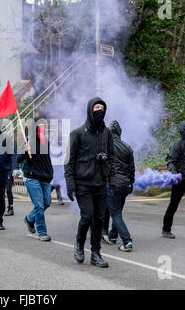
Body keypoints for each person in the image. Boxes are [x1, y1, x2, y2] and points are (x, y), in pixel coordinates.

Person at [64, 97, 115, 268]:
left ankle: (95, 253)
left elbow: (113, 157)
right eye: (96, 107)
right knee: (88, 216)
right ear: (89, 110)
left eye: (102, 107)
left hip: (101, 183)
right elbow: (68, 161)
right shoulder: (77, 133)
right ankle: (79, 245)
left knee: (99, 220)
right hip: (82, 183)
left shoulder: (107, 133)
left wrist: (107, 165)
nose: (99, 110)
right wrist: (70, 184)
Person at [103, 120, 135, 252]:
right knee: (118, 212)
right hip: (126, 185)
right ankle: (112, 236)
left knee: (115, 214)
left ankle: (127, 242)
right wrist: (131, 183)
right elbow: (132, 169)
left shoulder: (106, 147)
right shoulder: (127, 147)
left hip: (113, 185)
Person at [20, 118, 54, 241]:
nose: (42, 126)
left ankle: (29, 218)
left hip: (45, 177)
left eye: (43, 124)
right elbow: (18, 158)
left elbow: (47, 159)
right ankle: (42, 232)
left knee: (47, 203)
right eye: (39, 125)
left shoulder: (46, 141)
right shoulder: (28, 141)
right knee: (39, 205)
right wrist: (25, 151)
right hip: (32, 177)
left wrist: (50, 173)